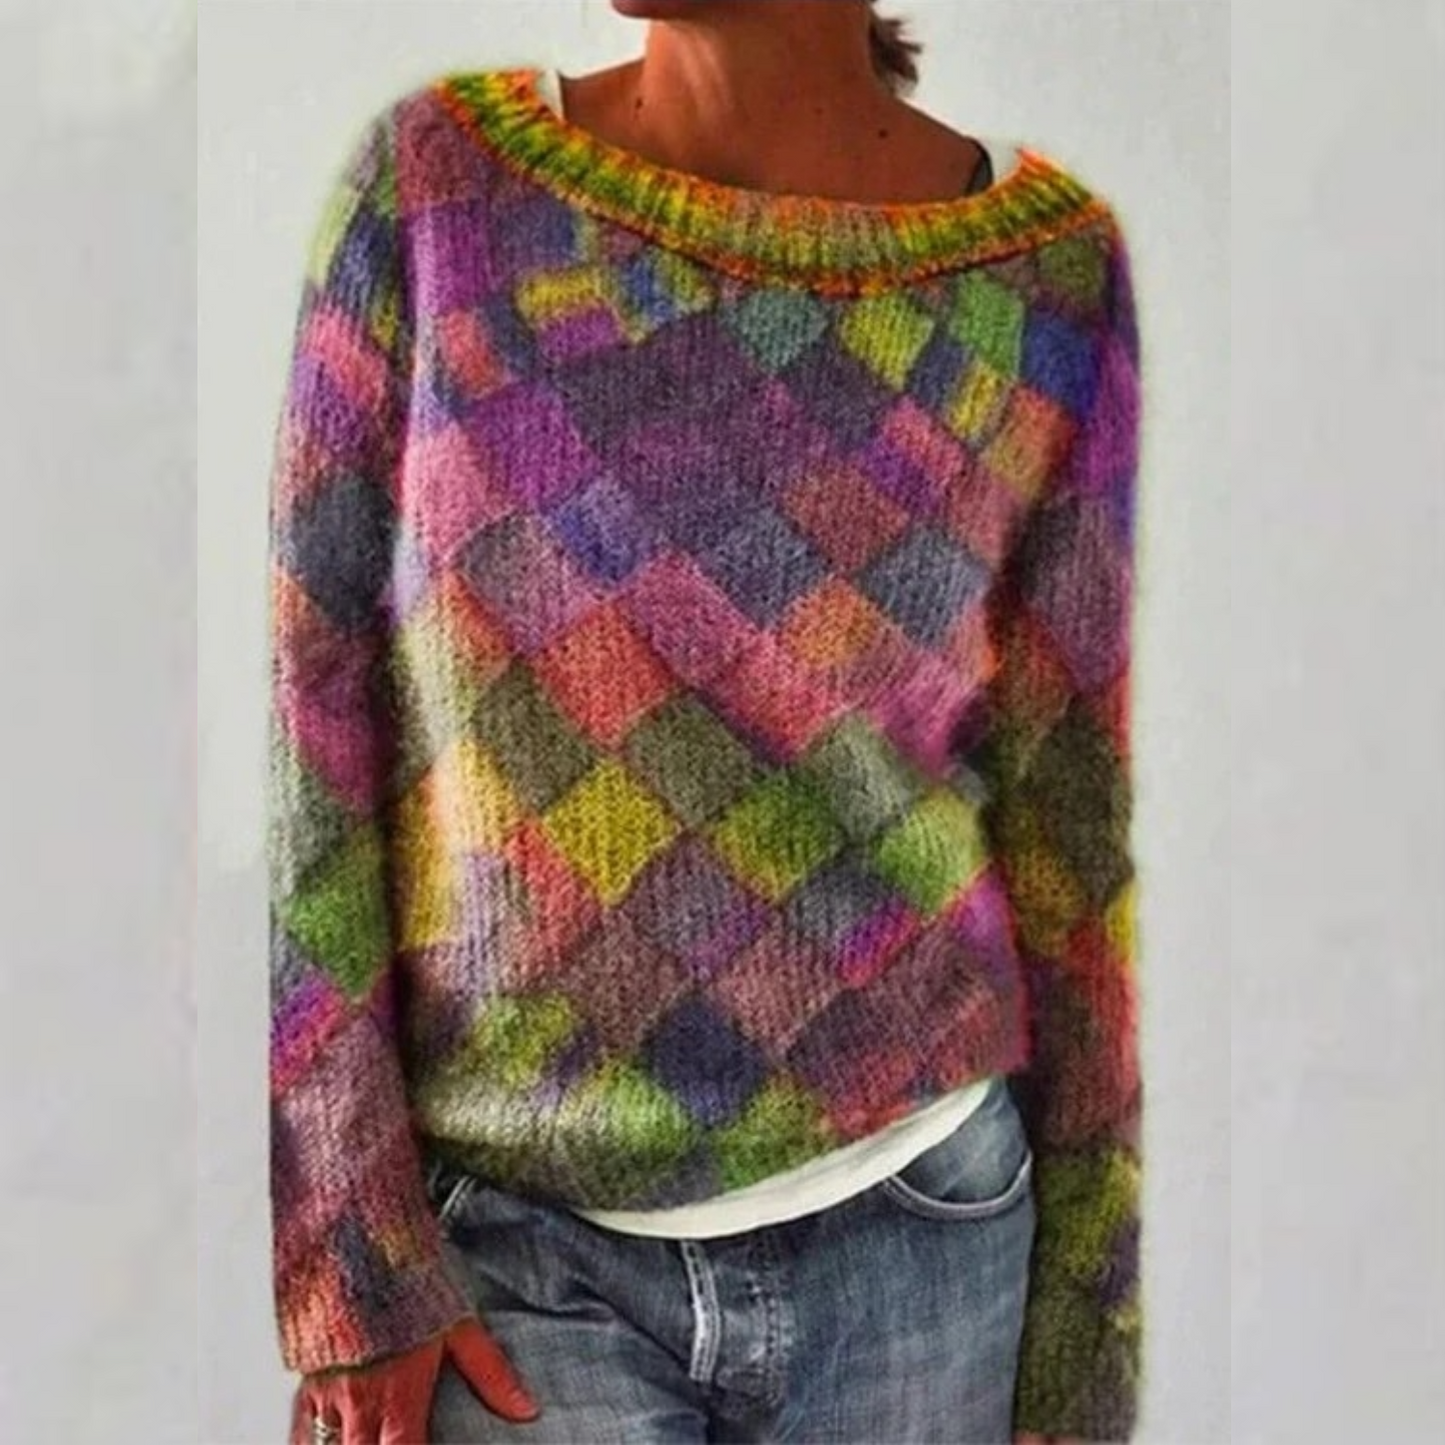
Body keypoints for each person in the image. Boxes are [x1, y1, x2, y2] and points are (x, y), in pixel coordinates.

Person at [264, 3, 1145, 1442]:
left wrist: (1087, 1336)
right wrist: (349, 1248)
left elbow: (1071, 814)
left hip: (923, 1244)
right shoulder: (436, 194)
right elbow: (316, 725)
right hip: (514, 1261)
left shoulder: (1045, 284)